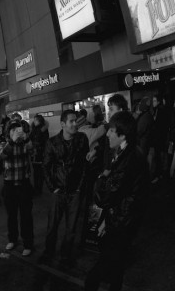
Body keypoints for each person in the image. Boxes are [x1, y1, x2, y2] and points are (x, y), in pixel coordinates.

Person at [84, 111, 149, 291]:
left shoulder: (128, 160)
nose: (107, 134)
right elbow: (120, 196)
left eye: (112, 130)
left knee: (98, 273)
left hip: (122, 225)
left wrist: (99, 177)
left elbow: (104, 197)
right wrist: (107, 220)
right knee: (116, 270)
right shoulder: (126, 152)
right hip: (121, 220)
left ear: (123, 134)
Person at [40, 109, 90, 266]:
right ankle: (48, 253)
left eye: (76, 120)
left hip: (74, 191)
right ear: (62, 124)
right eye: (72, 121)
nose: (75, 124)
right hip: (58, 191)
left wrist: (79, 187)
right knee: (52, 226)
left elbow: (84, 165)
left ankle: (65, 255)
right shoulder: (52, 142)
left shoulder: (82, 139)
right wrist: (52, 187)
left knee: (71, 228)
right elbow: (46, 167)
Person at [0, 120, 34, 256]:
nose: (15, 132)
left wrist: (26, 138)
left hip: (24, 184)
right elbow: (1, 155)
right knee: (11, 216)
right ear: (8, 132)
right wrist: (12, 142)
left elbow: (33, 151)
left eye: (17, 129)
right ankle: (12, 239)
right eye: (13, 130)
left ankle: (28, 243)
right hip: (9, 186)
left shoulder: (25, 143)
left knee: (26, 216)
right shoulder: (4, 144)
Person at [30, 114, 49, 195]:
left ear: (40, 121)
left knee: (40, 172)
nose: (34, 121)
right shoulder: (34, 129)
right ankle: (36, 188)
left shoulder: (43, 129)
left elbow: (46, 142)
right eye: (34, 120)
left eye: (36, 120)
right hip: (34, 153)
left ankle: (39, 189)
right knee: (35, 172)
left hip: (40, 153)